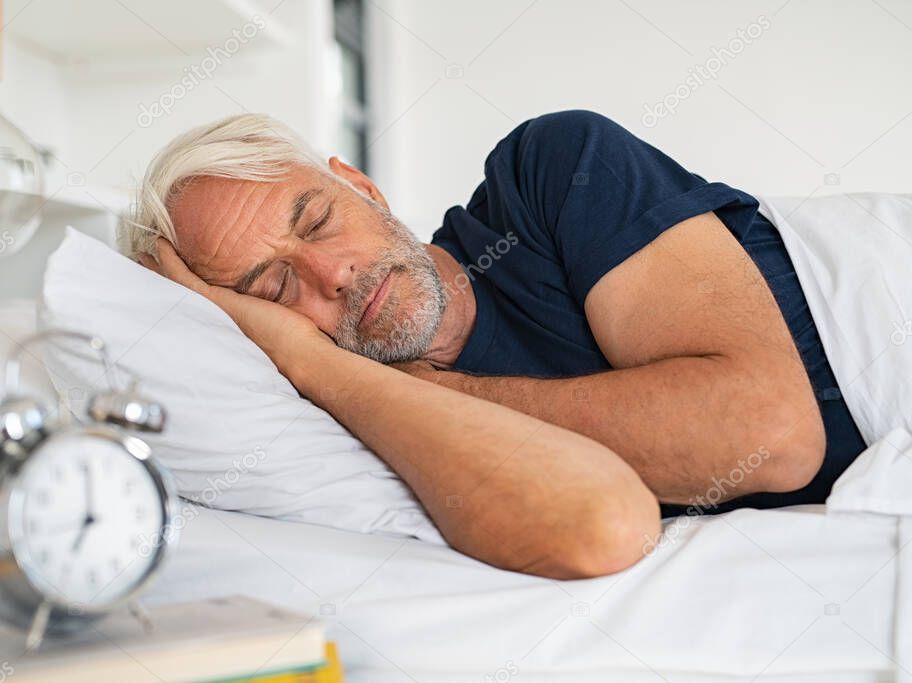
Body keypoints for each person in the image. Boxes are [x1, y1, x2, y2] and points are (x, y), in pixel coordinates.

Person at [127, 110, 866, 578]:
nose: (334, 273)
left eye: (318, 220)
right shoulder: (337, 422)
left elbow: (769, 433)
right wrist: (313, 365)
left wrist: (427, 387)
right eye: (274, 289)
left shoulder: (548, 172)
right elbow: (592, 528)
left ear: (362, 186)